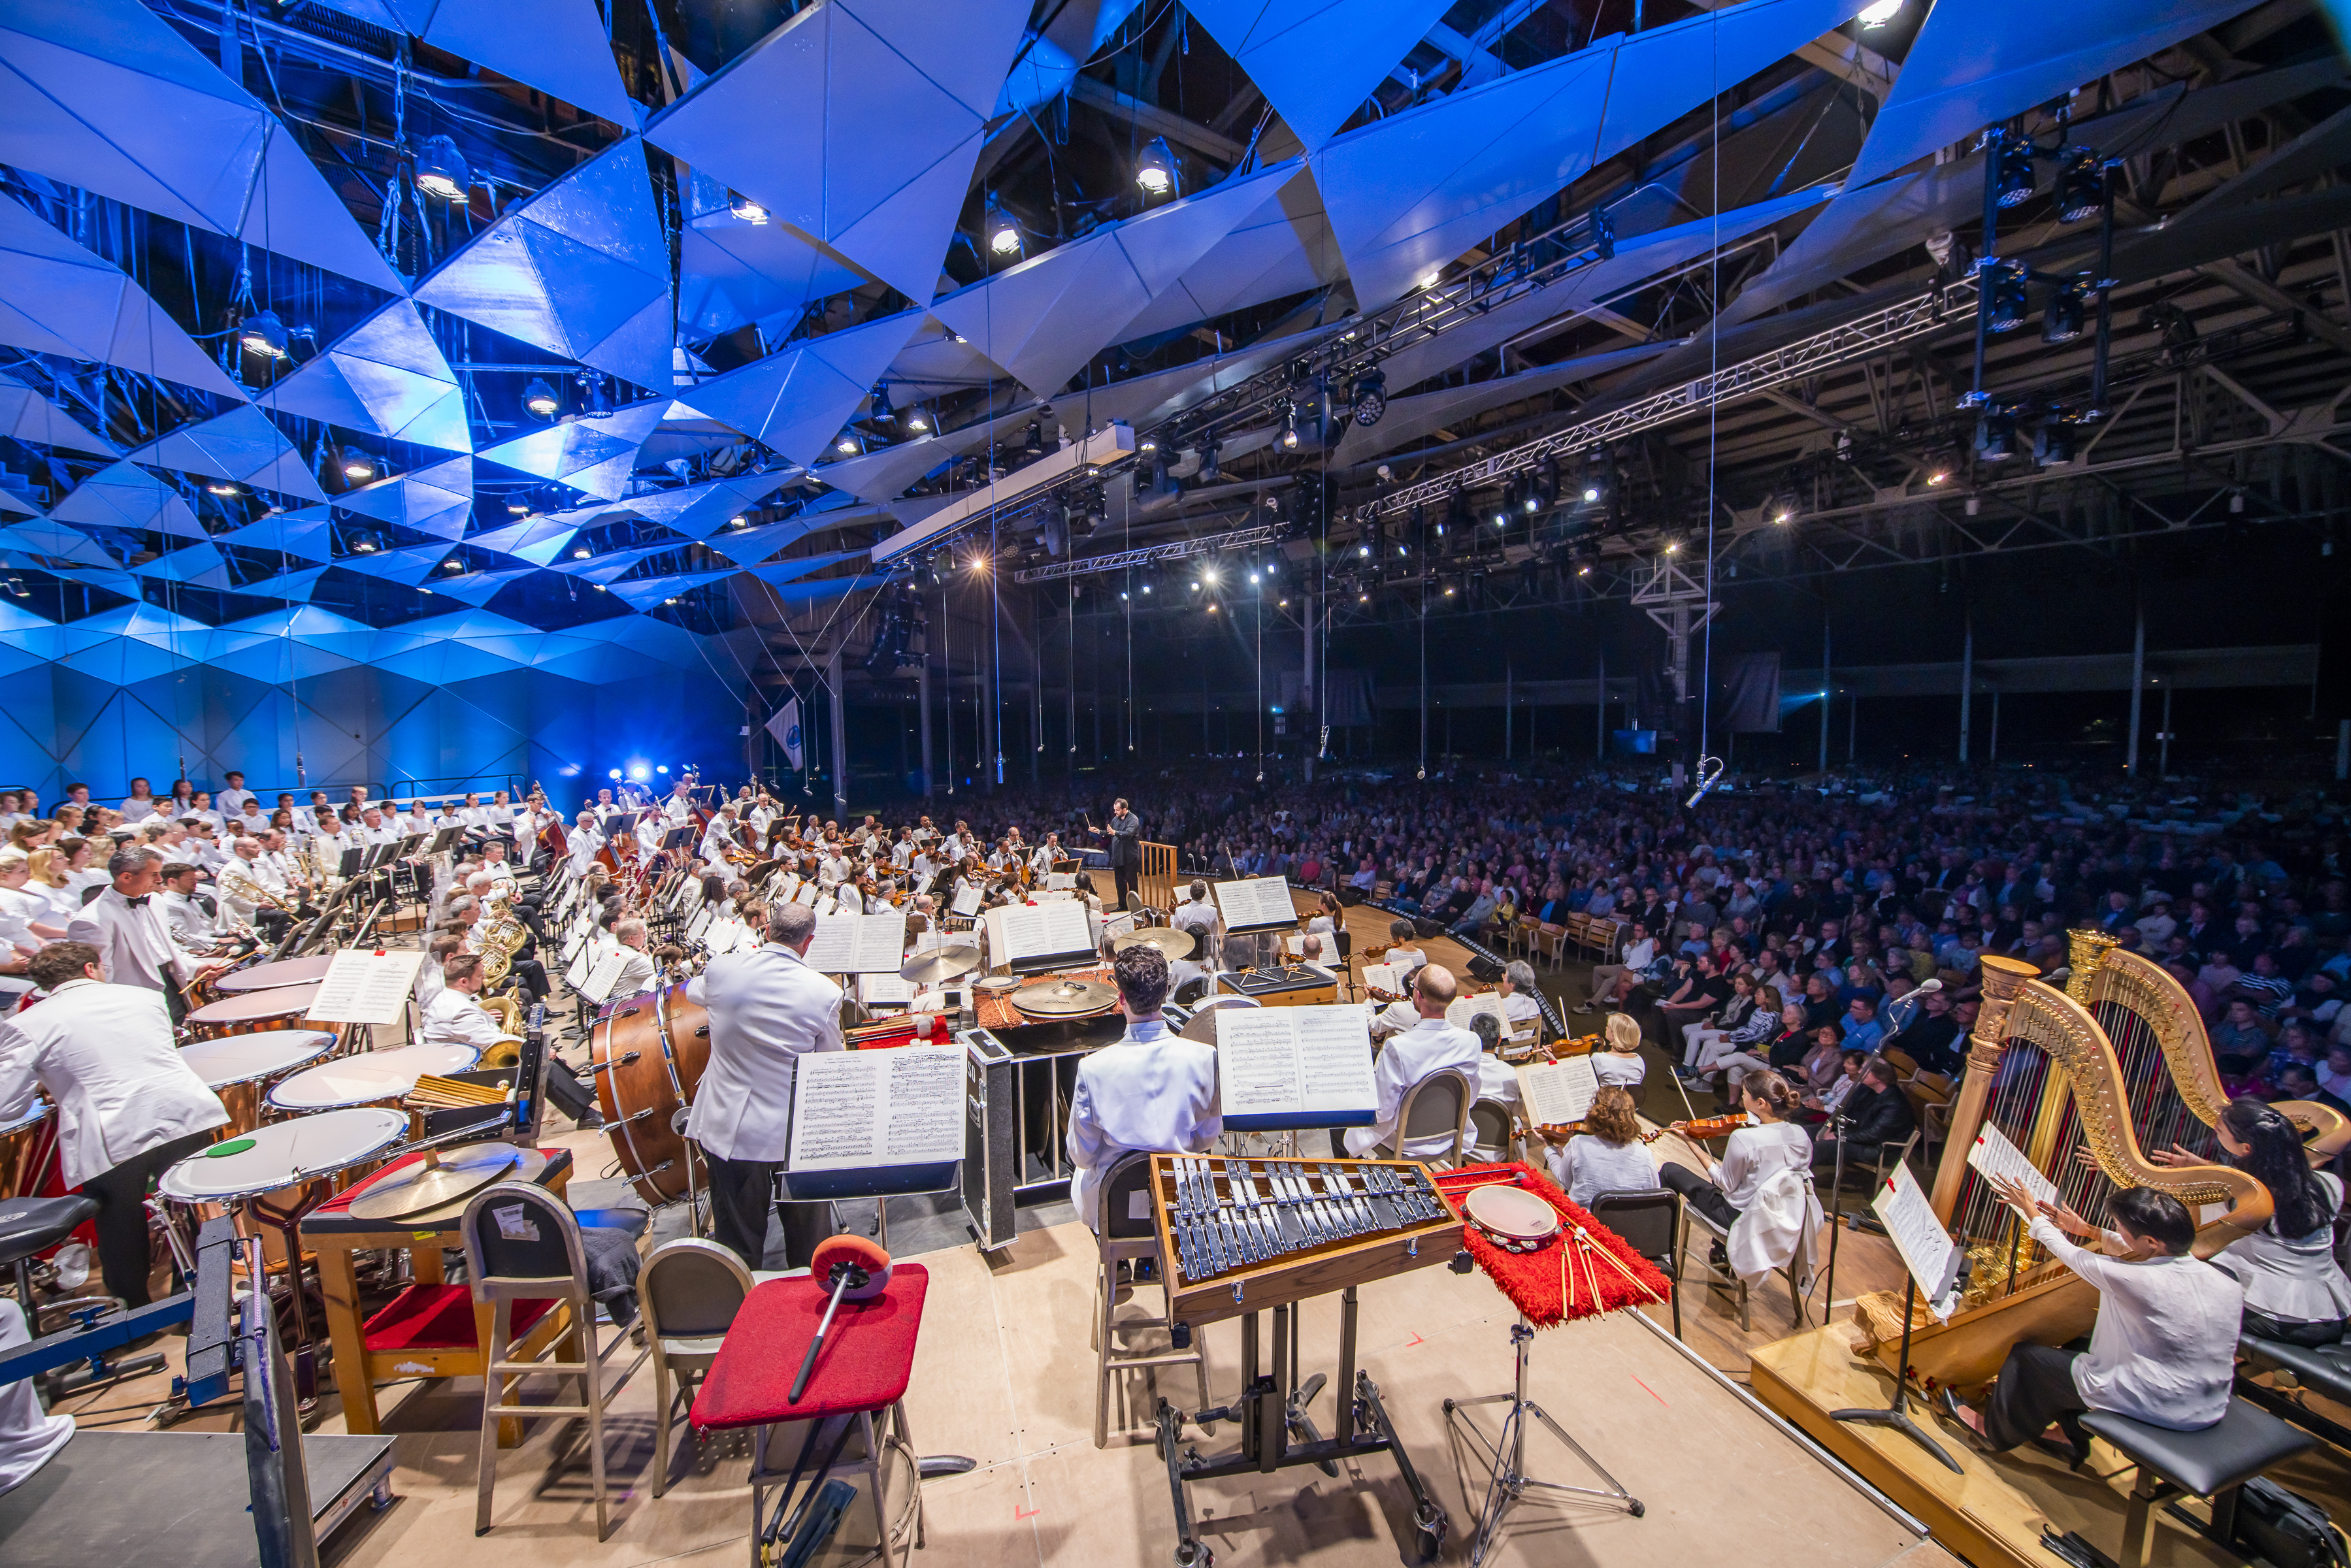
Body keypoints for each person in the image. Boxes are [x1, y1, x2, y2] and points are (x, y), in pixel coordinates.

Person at [0, 942, 228, 1309]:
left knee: (120, 1224)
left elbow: (7, 1106)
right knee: (193, 1213)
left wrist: (49, 1082)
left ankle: (136, 1316)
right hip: (182, 1109)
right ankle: (205, 1304)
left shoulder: (26, 1024)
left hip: (110, 1130)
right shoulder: (146, 997)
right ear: (91, 969)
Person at [1954, 1180, 2243, 1465]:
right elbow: (2141, 1251)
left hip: (2162, 1405)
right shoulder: (2225, 1280)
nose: (2118, 1230)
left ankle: (1992, 1433)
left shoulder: (2137, 1279)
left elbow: (2067, 1252)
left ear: (2152, 1242)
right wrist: (2087, 1230)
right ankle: (2069, 1437)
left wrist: (2031, 1211)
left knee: (2027, 1361)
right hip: (2208, 1403)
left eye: (2121, 1227)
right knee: (2081, 1343)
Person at [685, 902, 844, 1270]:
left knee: (738, 1242)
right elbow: (828, 1065)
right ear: (809, 943)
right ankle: (807, 1311)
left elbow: (694, 992)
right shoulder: (824, 992)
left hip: (733, 1129)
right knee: (809, 1245)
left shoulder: (722, 970)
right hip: (795, 1133)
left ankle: (742, 1315)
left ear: (767, 931)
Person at [2154, 1096, 2350, 1345]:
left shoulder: (2236, 1200)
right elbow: (2273, 1182)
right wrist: (2208, 1168)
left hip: (2279, 1320)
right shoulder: (2329, 1185)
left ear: (2246, 1149)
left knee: (2164, 1285)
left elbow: (2196, 1245)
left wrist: (2196, 1180)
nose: (2215, 1131)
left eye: (2220, 1130)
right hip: (2333, 1316)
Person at [1064, 943, 1222, 1232]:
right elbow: (1205, 1140)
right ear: (1165, 993)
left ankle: (1118, 1259)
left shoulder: (1093, 1068)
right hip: (1179, 1197)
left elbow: (1082, 1156)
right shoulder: (1204, 1057)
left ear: (1120, 998)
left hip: (1116, 1208)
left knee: (1078, 1167)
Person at [1660, 1069, 1814, 1256]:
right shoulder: (1801, 1135)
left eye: (1744, 1095)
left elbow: (1726, 1184)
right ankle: (1721, 1256)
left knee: (1670, 1170)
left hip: (1741, 1218)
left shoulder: (1745, 1137)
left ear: (1761, 1103)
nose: (1742, 1100)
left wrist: (1690, 1142)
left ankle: (1660, 1250)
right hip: (1781, 1218)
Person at [66, 845, 214, 1024]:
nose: (160, 880)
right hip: (135, 993)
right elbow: (100, 975)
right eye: (154, 875)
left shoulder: (156, 900)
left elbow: (164, 947)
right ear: (126, 877)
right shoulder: (91, 920)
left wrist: (193, 966)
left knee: (183, 1026)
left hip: (171, 978)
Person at [1345, 964, 1481, 1159]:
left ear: (1418, 996)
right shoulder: (1472, 1041)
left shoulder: (1397, 1047)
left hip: (1404, 1141)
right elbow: (1471, 1097)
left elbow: (1383, 1112)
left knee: (1342, 1126)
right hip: (1451, 1135)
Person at [1541, 1085, 1660, 1207]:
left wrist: (1549, 1148)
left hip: (1584, 1222)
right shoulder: (1645, 1154)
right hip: (1628, 1223)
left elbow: (1565, 1181)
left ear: (1595, 1113)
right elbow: (1654, 1192)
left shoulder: (1578, 1143)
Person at [1809, 1054, 1915, 1173]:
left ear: (1879, 1077)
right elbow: (1845, 1109)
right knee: (1805, 1132)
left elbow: (1872, 1135)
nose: (1859, 1071)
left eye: (1865, 1070)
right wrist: (1830, 1126)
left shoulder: (1895, 1105)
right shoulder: (1865, 1087)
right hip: (1853, 1132)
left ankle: (1794, 1179)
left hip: (1876, 1149)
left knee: (1822, 1148)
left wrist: (1838, 1135)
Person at [418, 953, 510, 1057]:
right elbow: (494, 1042)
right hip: (466, 1062)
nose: (484, 978)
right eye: (480, 976)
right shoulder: (460, 1010)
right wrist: (528, 1044)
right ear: (464, 981)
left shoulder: (446, 995)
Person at [1091, 796, 1142, 910]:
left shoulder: (1133, 819)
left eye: (1117, 810)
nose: (1115, 812)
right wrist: (1099, 831)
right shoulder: (1115, 820)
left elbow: (1128, 834)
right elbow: (1111, 833)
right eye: (1114, 810)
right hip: (1118, 856)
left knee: (1132, 883)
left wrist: (1115, 832)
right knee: (1120, 883)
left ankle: (1136, 908)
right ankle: (1122, 906)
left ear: (1124, 809)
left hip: (1130, 856)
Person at [1594, 1009, 1648, 1088]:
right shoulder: (1639, 1061)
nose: (1606, 1028)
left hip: (1603, 1099)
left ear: (1614, 1035)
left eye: (1608, 1027)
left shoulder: (1599, 1059)